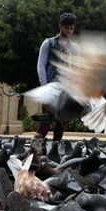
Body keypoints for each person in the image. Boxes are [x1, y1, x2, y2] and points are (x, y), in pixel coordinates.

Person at [35, 13, 79, 141]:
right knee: (47, 120)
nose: (69, 31)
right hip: (51, 86)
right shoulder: (48, 43)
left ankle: (56, 149)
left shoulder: (75, 47)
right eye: (67, 28)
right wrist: (45, 87)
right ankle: (35, 149)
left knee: (62, 122)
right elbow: (41, 65)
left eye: (71, 28)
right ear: (60, 26)